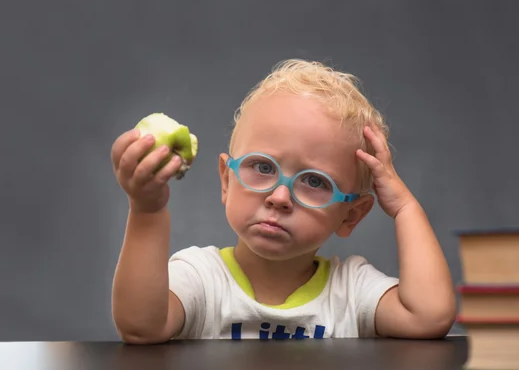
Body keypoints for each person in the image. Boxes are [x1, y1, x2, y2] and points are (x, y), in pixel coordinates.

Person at [110, 59, 456, 343]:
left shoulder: (350, 292)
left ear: (351, 216)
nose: (279, 197)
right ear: (226, 180)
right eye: (262, 167)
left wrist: (405, 209)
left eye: (314, 182)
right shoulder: (202, 278)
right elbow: (141, 327)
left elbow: (428, 317)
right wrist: (146, 210)